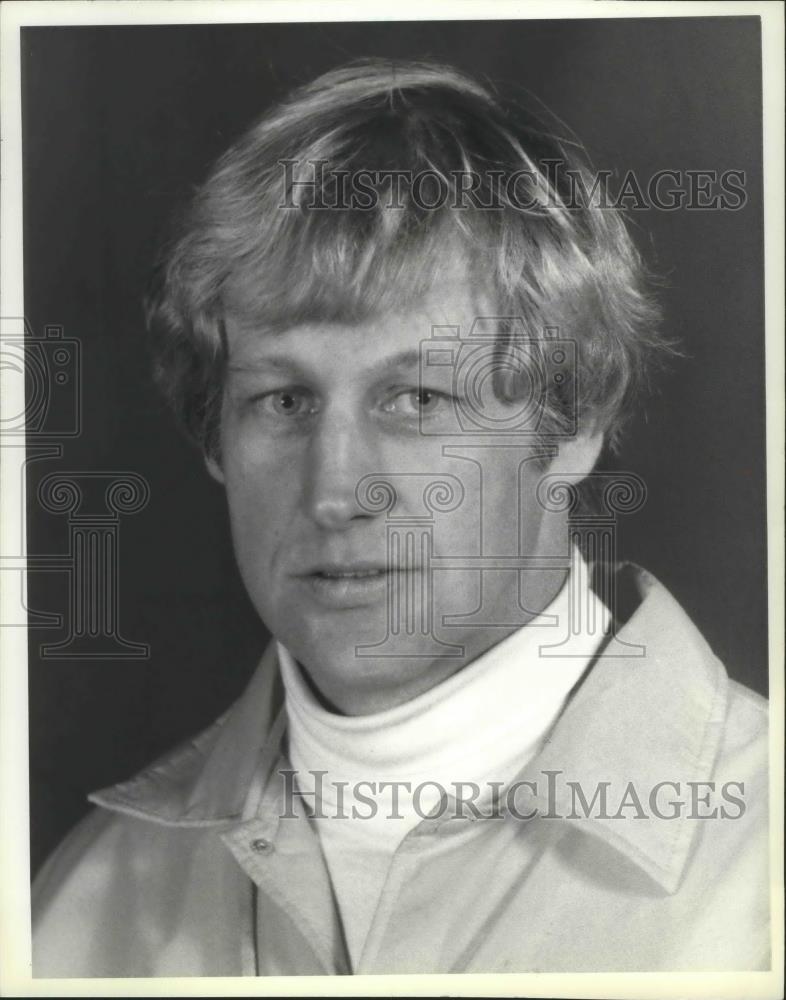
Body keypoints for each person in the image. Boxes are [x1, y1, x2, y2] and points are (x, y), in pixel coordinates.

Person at [31, 59, 769, 977]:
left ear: (575, 416)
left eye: (416, 397)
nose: (336, 490)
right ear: (213, 437)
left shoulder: (761, 872)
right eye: (283, 401)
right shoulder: (81, 911)